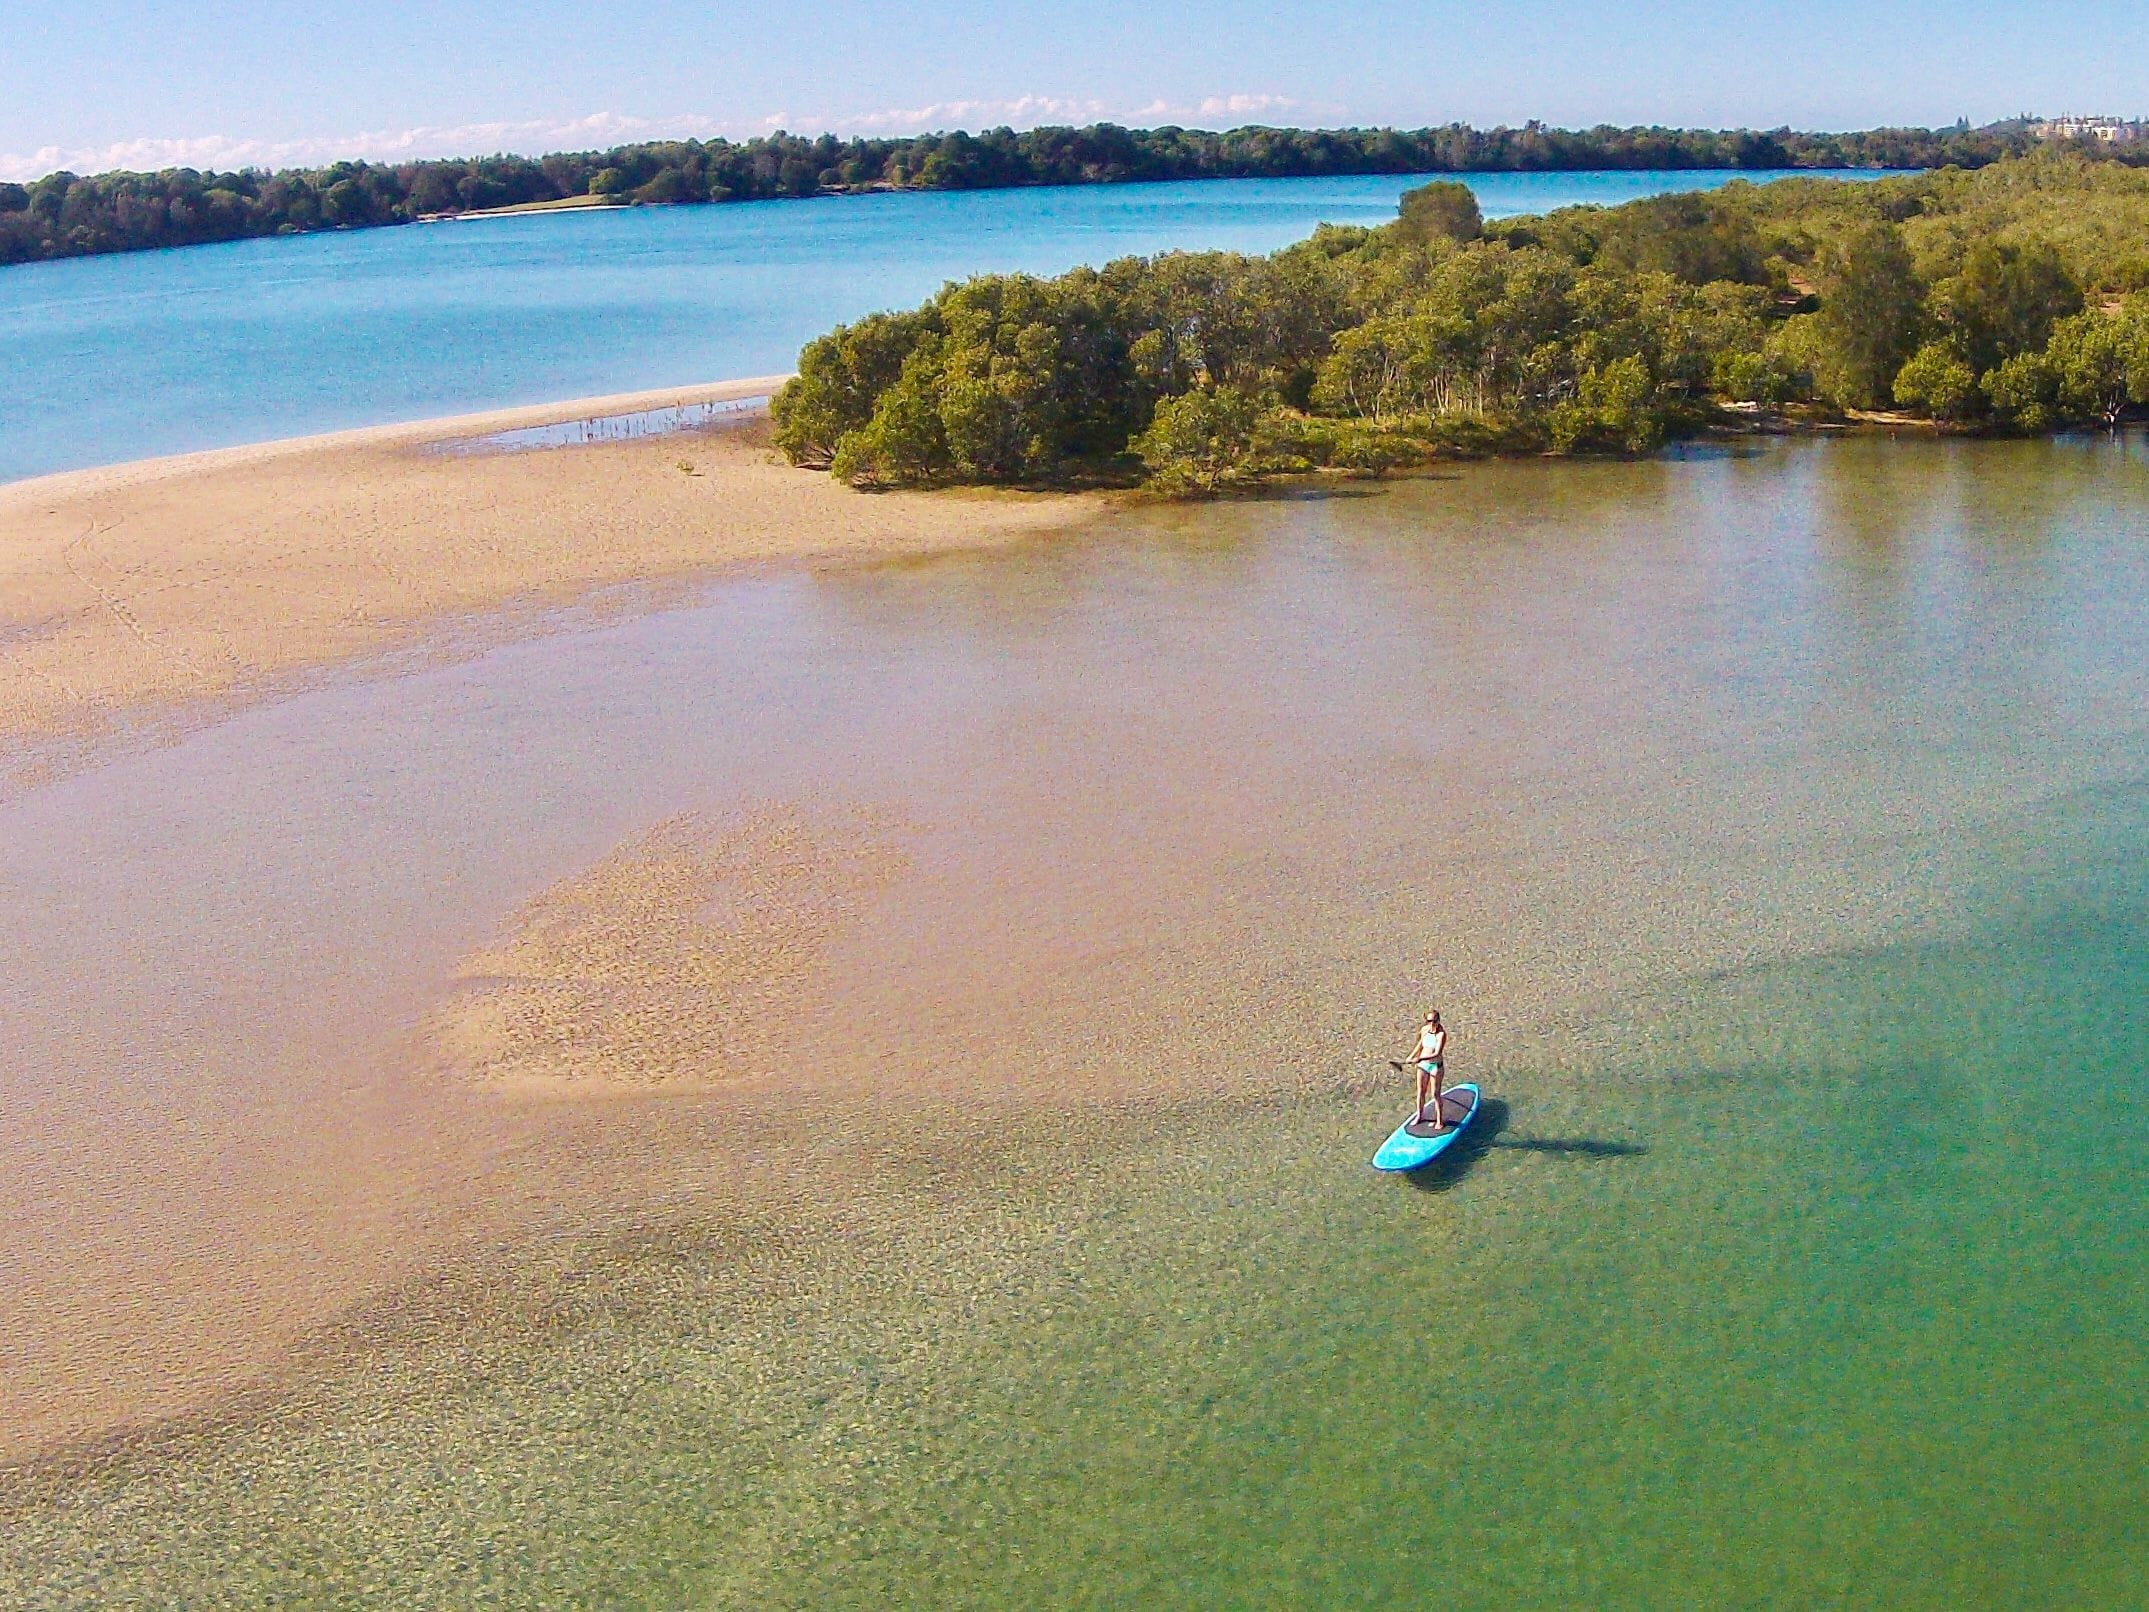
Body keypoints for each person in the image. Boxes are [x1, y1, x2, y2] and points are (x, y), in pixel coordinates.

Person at [1410, 1010, 1449, 1129]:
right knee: (1420, 1092)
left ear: (1438, 1020)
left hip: (1435, 1066)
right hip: (1422, 1065)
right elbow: (1420, 1045)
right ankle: (1419, 1116)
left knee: (1435, 1094)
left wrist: (1420, 1057)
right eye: (1429, 1021)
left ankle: (1439, 1120)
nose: (1432, 1024)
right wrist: (1412, 1056)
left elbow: (1437, 1053)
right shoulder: (1424, 1030)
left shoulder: (1441, 1034)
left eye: (1434, 1021)